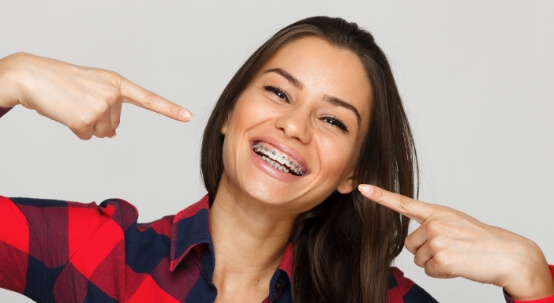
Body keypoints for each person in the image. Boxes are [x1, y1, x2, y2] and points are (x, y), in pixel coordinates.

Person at [0, 16, 552, 303]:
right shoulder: (105, 257)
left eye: (333, 120)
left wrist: (532, 279)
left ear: (352, 174)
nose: (294, 126)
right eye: (279, 93)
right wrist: (10, 77)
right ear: (228, 113)